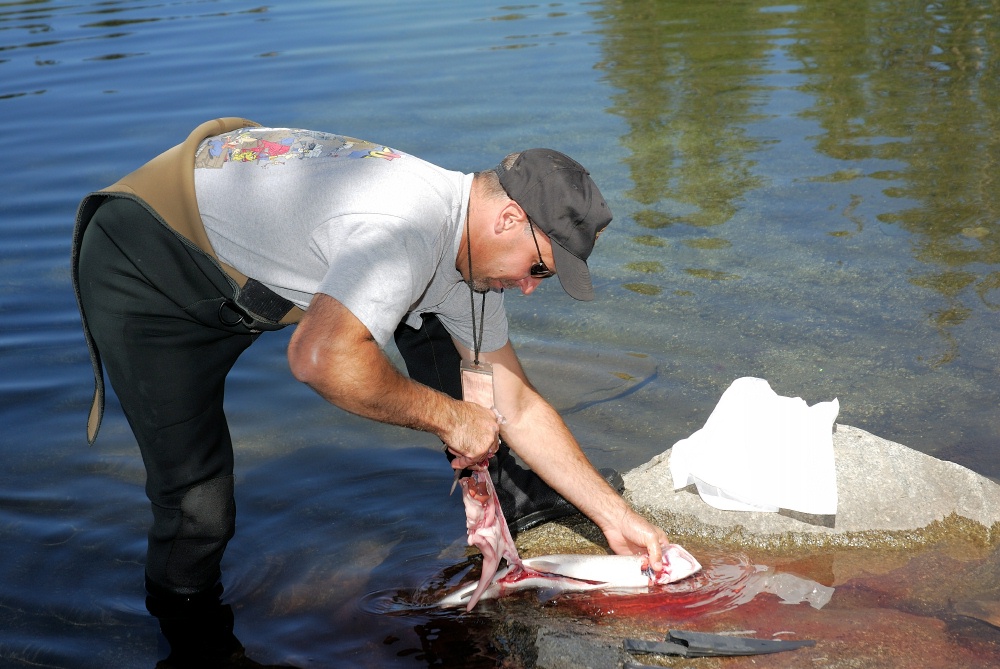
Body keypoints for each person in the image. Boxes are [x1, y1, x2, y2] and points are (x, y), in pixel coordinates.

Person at [72, 117, 670, 666]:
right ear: (509, 219)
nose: (532, 287)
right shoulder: (405, 228)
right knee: (197, 507)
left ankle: (509, 503)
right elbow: (318, 359)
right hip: (146, 264)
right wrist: (451, 418)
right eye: (540, 268)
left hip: (248, 272)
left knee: (445, 341)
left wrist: (617, 519)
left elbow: (515, 402)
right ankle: (189, 642)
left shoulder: (466, 255)